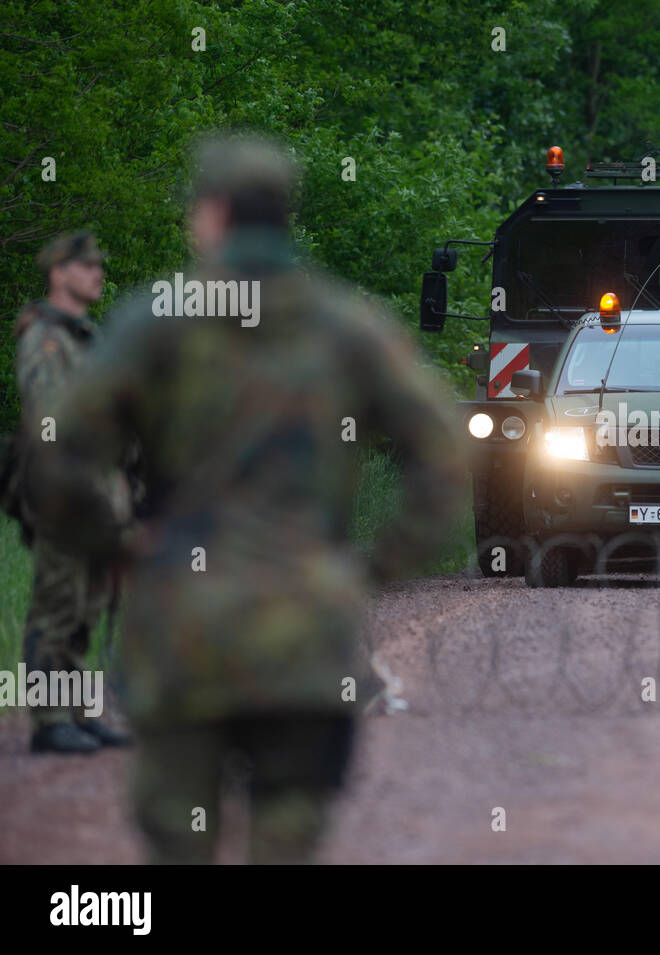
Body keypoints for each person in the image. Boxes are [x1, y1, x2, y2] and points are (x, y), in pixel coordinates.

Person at [26, 135, 467, 862]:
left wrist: (117, 546)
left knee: (178, 842)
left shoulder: (156, 322)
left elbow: (60, 453)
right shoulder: (346, 324)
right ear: (282, 214)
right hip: (306, 634)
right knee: (287, 841)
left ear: (212, 214)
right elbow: (445, 457)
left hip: (181, 629)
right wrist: (368, 570)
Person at [11, 231, 132, 754]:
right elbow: (48, 420)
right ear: (59, 273)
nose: (98, 274)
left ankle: (79, 712)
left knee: (87, 607)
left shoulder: (87, 337)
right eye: (87, 266)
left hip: (101, 491)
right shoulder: (45, 337)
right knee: (57, 607)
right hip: (63, 491)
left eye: (98, 266)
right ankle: (47, 720)